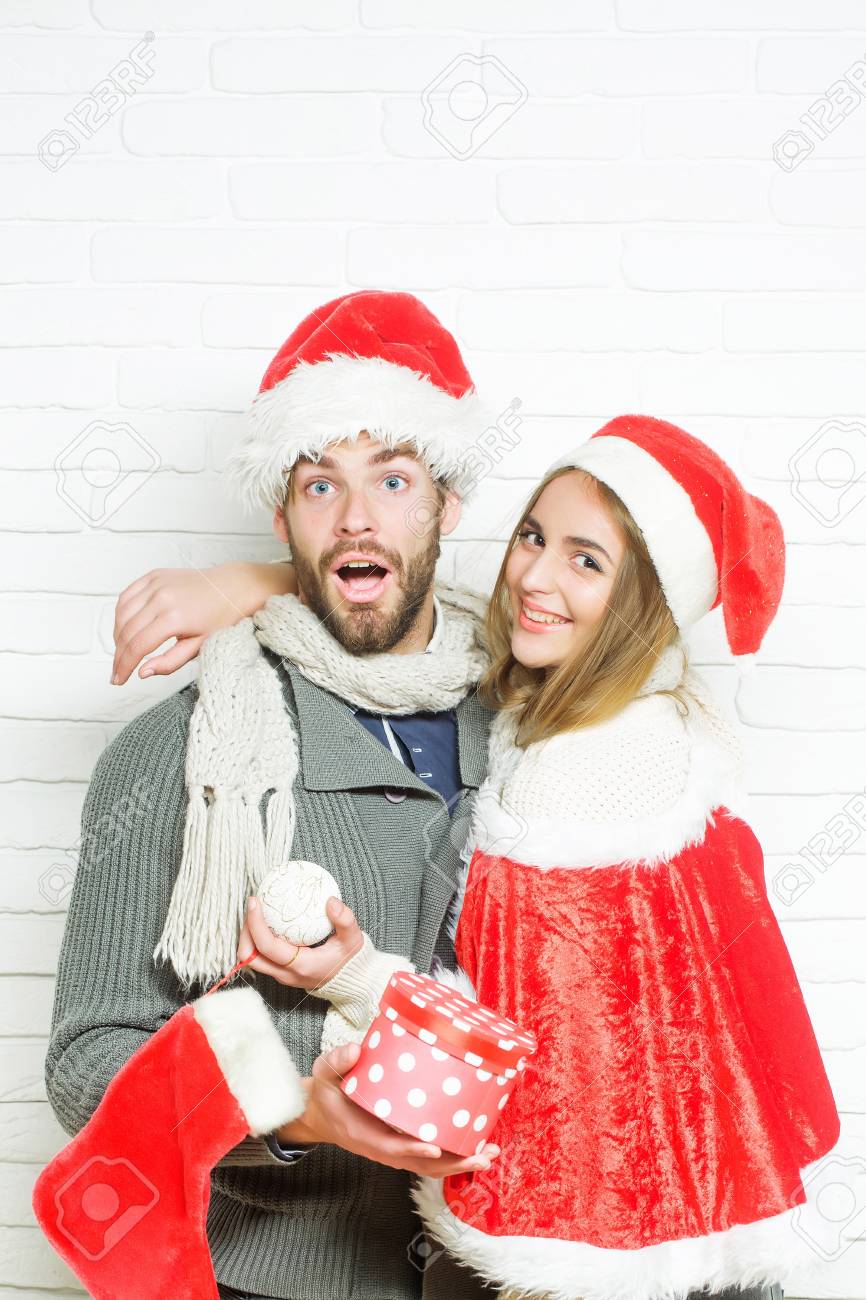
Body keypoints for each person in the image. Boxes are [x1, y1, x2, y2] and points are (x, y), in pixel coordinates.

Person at [112, 413, 839, 1300]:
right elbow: (538, 1028)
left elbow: (510, 1069)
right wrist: (245, 585)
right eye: (533, 537)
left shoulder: (573, 771)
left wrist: (340, 1023)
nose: (533, 573)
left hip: (568, 1262)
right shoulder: (542, 710)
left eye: (587, 559)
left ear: (447, 504)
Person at [45, 289, 504, 1300]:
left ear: (448, 504)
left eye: (394, 478)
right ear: (282, 513)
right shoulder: (185, 754)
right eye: (317, 486)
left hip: (503, 1272)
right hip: (277, 1279)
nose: (356, 518)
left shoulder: (529, 720)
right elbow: (89, 1064)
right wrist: (299, 1108)